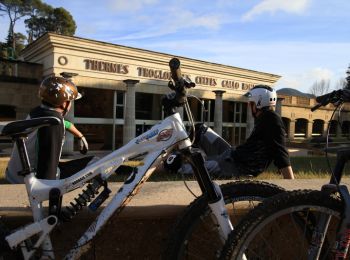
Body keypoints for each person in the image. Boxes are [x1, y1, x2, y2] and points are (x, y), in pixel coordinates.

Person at [166, 85, 295, 179]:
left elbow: (280, 153)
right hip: (232, 154)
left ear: (258, 103)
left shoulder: (271, 119)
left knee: (173, 165)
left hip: (233, 166)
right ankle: (181, 155)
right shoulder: (264, 118)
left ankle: (173, 160)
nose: (248, 106)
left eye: (250, 103)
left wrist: (291, 185)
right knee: (200, 129)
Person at [6, 76, 90, 184]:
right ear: (64, 103)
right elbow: (48, 169)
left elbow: (67, 124)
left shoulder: (38, 112)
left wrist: (80, 135)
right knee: (95, 163)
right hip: (31, 181)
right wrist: (50, 190)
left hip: (13, 174)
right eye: (71, 101)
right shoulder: (54, 124)